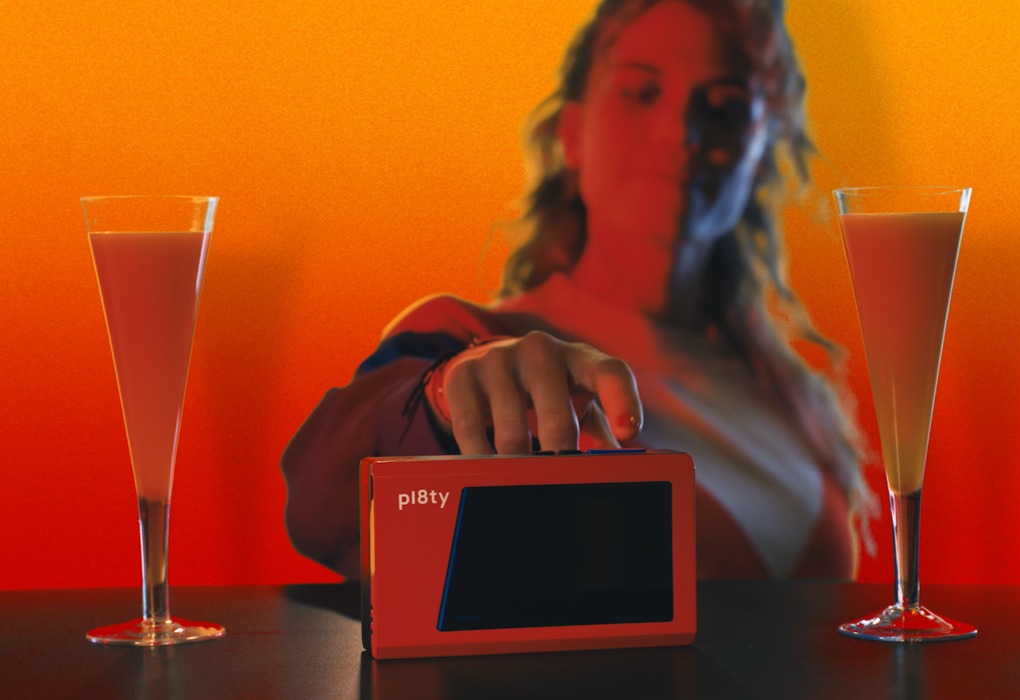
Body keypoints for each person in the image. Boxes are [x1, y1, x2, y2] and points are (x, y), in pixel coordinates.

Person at [282, 0, 873, 581]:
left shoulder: (791, 395)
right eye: (640, 92)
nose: (679, 131)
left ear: (761, 155)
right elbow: (324, 504)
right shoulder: (466, 339)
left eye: (725, 106)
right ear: (572, 135)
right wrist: (444, 397)